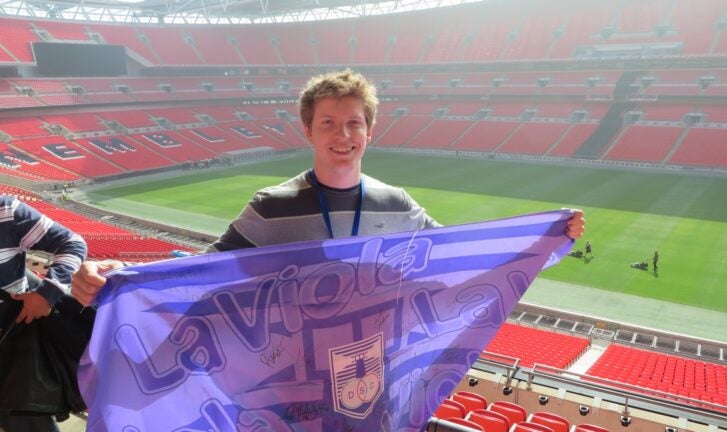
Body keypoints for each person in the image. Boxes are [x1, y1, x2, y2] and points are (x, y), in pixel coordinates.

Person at [72, 69, 586, 305]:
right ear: (308, 130)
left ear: (370, 129)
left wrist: (544, 238)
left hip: (373, 365)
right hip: (290, 371)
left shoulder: (397, 204)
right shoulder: (272, 206)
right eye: (329, 123)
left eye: (355, 123)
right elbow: (206, 268)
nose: (343, 135)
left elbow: (456, 257)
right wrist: (121, 276)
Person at [0, 195, 87, 432]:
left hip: (14, 339)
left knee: (25, 418)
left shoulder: (6, 211)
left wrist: (46, 294)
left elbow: (73, 243)